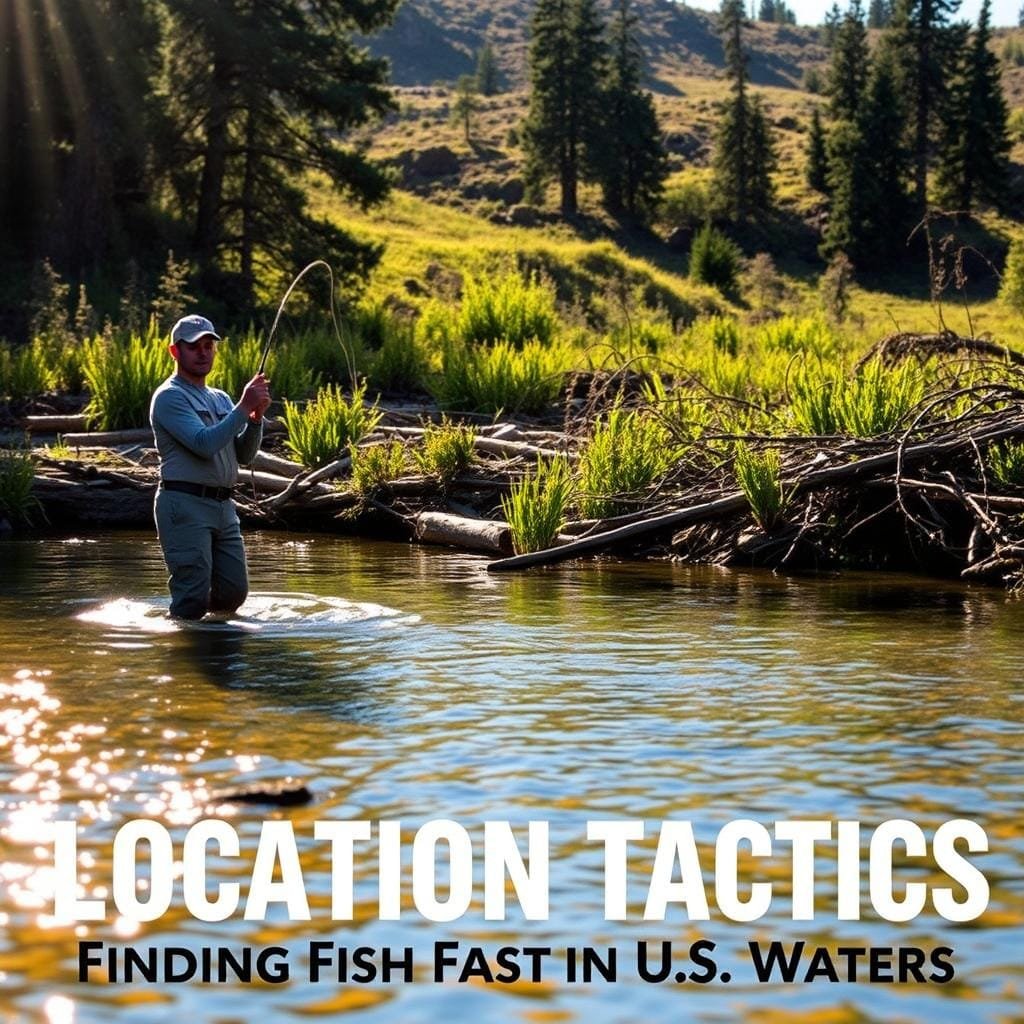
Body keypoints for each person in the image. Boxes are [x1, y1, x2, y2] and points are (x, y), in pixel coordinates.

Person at [150, 314, 271, 620]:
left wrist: (255, 418)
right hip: (184, 505)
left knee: (233, 593)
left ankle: (214, 653)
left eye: (209, 345)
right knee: (191, 598)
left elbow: (243, 455)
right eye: (194, 347)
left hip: (223, 507)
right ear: (175, 352)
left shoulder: (219, 397)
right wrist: (243, 406)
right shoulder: (169, 397)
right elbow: (203, 443)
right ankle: (185, 654)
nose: (203, 352)